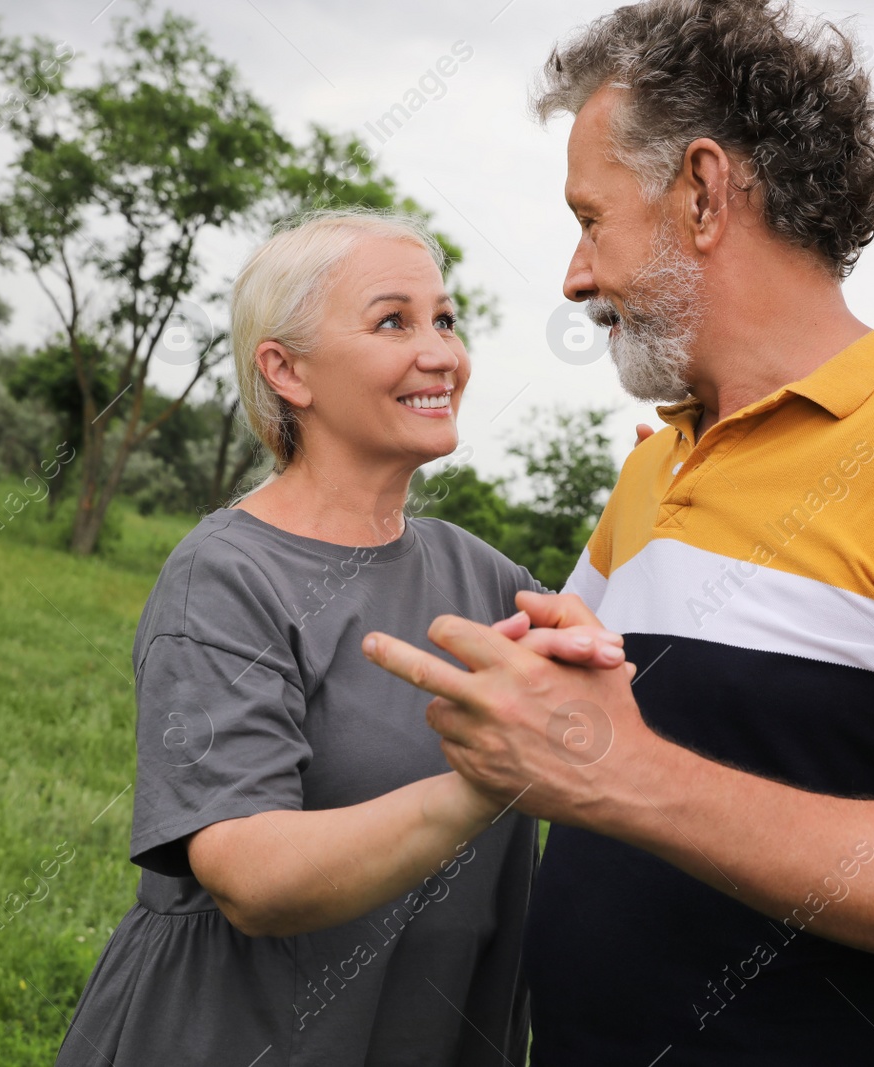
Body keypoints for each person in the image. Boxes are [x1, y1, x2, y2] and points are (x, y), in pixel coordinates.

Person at [362, 2, 874, 1065]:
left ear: (703, 193)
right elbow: (568, 711)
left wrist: (628, 774)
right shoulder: (660, 457)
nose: (575, 275)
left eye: (590, 218)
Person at [53, 209, 619, 1067]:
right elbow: (250, 874)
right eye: (393, 320)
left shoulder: (487, 578)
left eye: (445, 318)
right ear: (287, 371)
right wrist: (483, 782)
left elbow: (625, 719)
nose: (441, 354)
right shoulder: (227, 576)